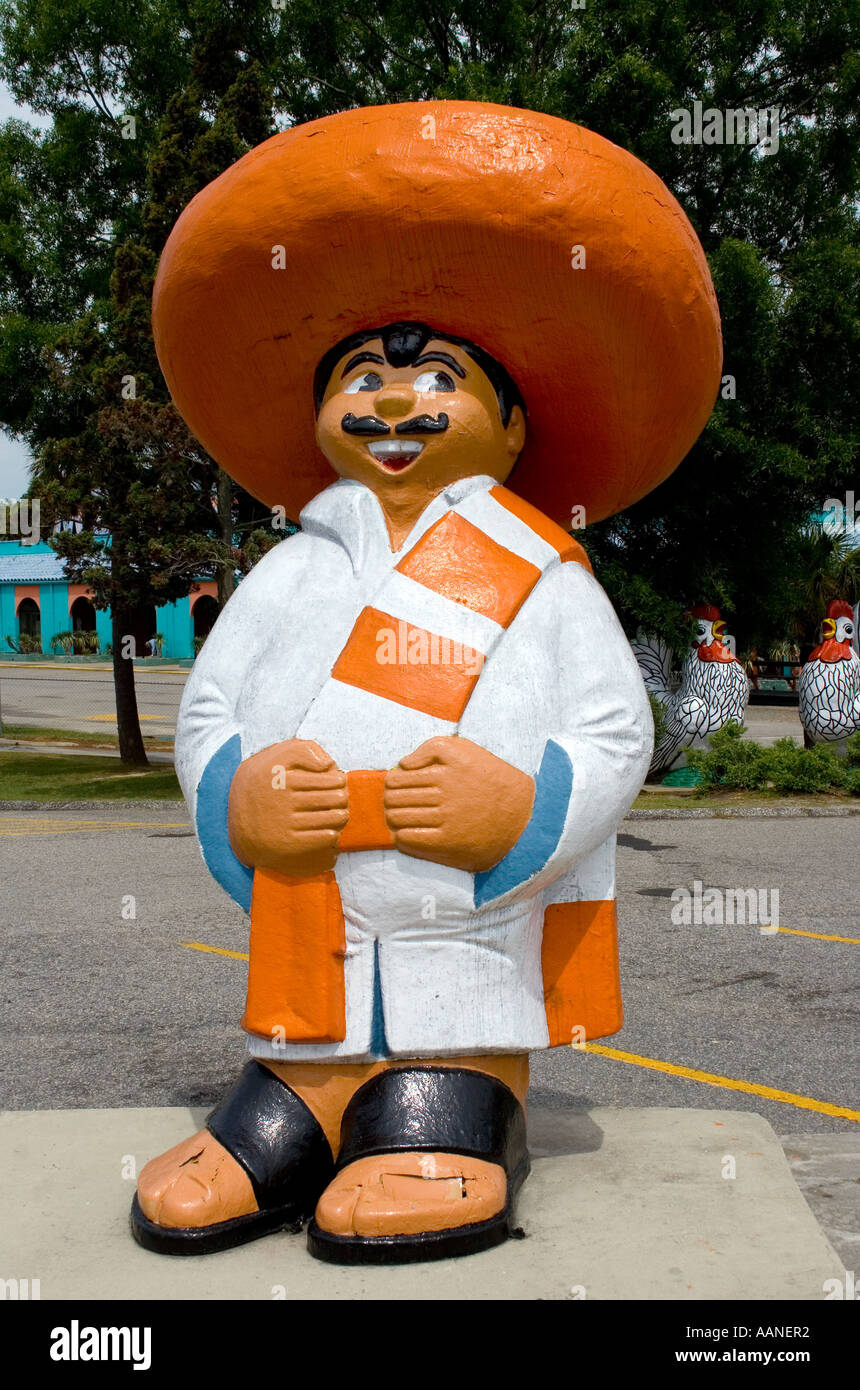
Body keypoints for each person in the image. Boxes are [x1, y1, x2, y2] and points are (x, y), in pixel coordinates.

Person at [132, 102, 722, 1264]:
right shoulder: (293, 567)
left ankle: (453, 1110)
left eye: (436, 378)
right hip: (303, 917)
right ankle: (301, 1103)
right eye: (357, 375)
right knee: (298, 1043)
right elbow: (210, 709)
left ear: (509, 429)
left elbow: (613, 729)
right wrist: (235, 797)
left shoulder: (541, 576)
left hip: (469, 922)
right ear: (318, 414)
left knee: (447, 1036)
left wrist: (521, 810)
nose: (393, 402)